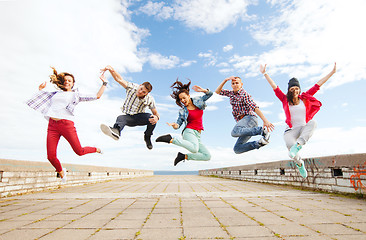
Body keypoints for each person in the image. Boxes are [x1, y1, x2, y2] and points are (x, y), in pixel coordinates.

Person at [26, 67, 107, 183]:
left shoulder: (76, 95)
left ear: (73, 84)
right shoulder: (54, 94)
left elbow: (97, 96)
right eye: (65, 80)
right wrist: (40, 89)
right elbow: (42, 100)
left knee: (79, 151)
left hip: (67, 125)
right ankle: (61, 171)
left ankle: (96, 149)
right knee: (50, 156)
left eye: (69, 80)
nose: (67, 82)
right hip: (52, 126)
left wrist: (104, 83)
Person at [260, 62, 336, 178]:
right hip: (290, 130)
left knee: (313, 122)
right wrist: (265, 73)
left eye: (297, 88)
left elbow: (318, 84)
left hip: (303, 128)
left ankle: (299, 144)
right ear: (289, 90)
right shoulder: (284, 99)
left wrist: (332, 72)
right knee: (291, 151)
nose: (295, 90)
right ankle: (300, 163)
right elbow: (274, 86)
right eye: (292, 88)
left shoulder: (305, 97)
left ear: (299, 89)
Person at [99, 65, 159, 149]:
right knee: (120, 118)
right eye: (141, 89)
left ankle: (147, 137)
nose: (140, 92)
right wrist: (111, 70)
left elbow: (155, 113)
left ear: (146, 93)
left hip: (140, 117)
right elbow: (119, 79)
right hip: (129, 118)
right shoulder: (132, 87)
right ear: (140, 85)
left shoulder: (150, 99)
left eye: (143, 92)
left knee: (152, 118)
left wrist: (156, 117)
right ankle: (116, 132)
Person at [155, 79, 212, 166]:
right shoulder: (182, 111)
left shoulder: (198, 100)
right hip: (189, 131)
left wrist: (203, 90)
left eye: (184, 98)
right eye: (180, 99)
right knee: (194, 149)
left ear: (189, 96)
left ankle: (183, 156)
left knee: (207, 156)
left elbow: (210, 94)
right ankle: (171, 139)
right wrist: (174, 125)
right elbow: (178, 125)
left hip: (198, 134)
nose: (182, 100)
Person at [215, 76, 274, 154]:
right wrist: (225, 80)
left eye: (237, 83)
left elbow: (255, 107)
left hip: (250, 118)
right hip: (245, 126)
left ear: (241, 84)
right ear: (231, 85)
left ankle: (262, 131)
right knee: (237, 149)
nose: (235, 85)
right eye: (233, 83)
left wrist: (265, 120)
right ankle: (259, 143)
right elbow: (217, 92)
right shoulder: (231, 93)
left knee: (234, 132)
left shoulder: (244, 94)